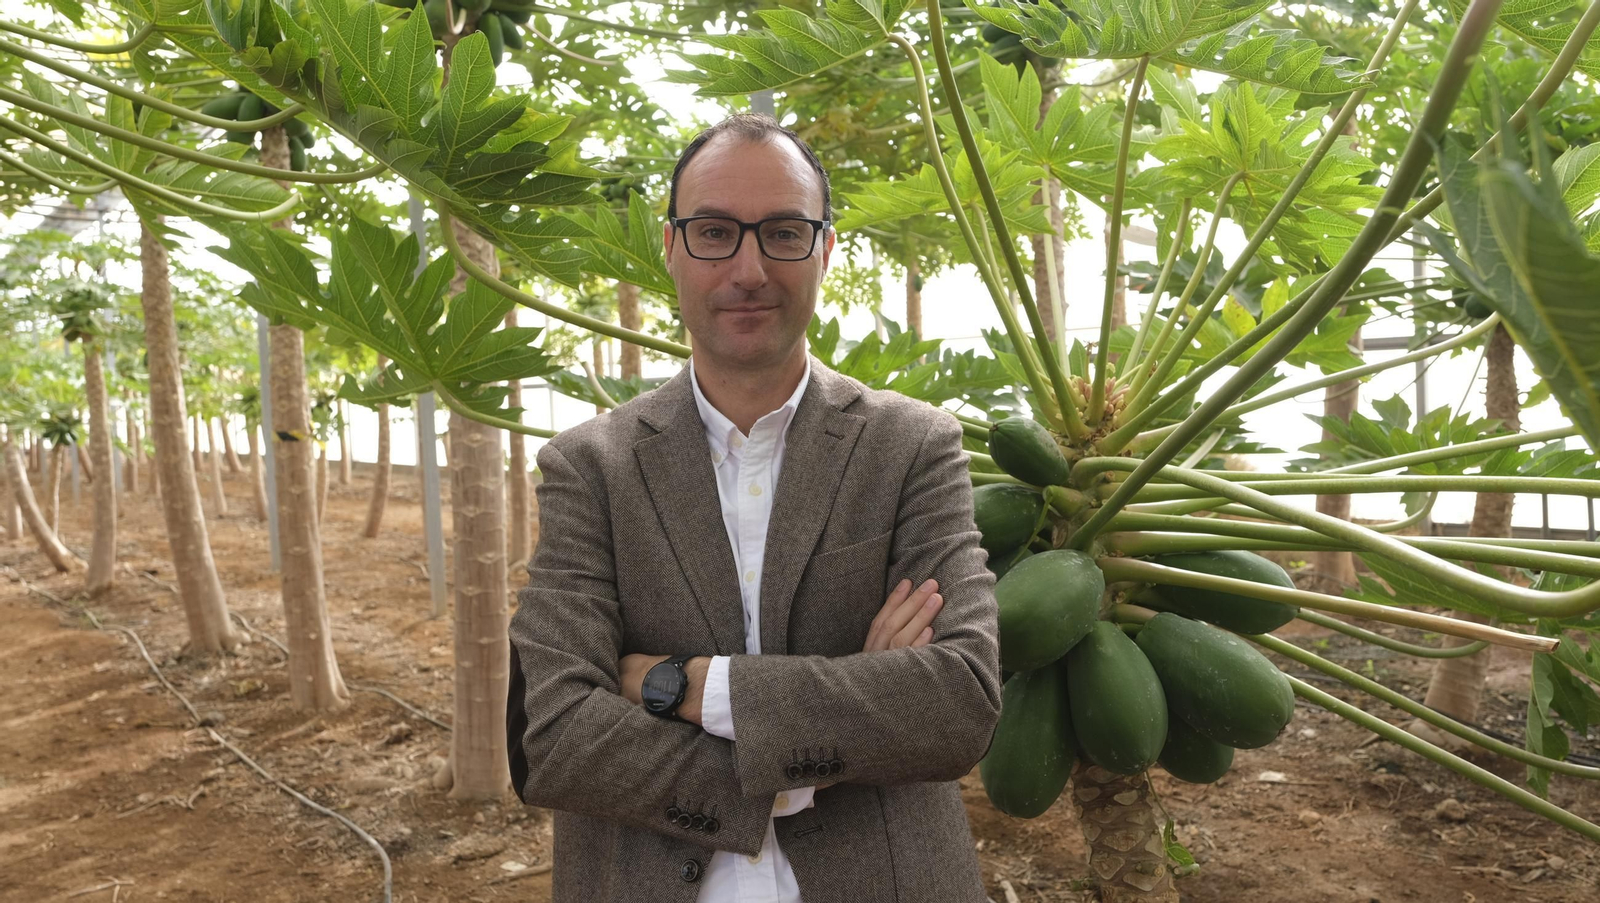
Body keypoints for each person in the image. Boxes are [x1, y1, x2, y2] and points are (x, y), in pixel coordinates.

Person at [506, 113, 1002, 903]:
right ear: (671, 248)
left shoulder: (914, 447)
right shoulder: (588, 467)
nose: (748, 268)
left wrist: (681, 685)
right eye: (713, 232)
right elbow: (555, 733)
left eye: (782, 232)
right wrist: (830, 729)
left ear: (825, 249)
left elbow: (958, 702)